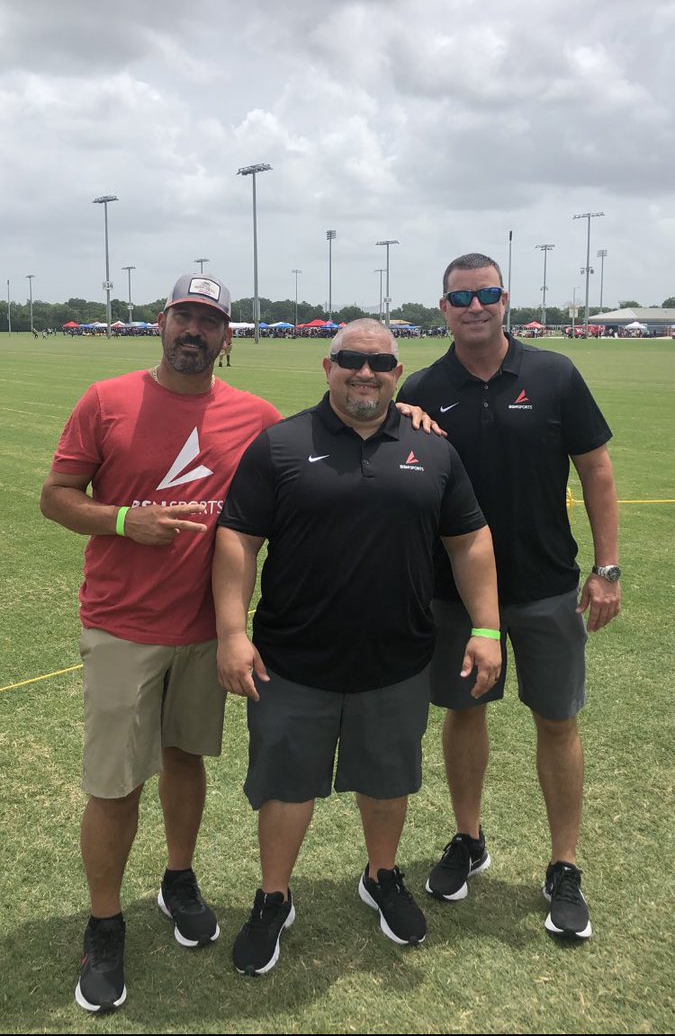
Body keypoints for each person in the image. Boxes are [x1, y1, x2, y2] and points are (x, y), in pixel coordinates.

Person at [212, 318, 501, 977]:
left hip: (397, 662)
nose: (363, 373)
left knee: (386, 780)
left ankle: (381, 876)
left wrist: (486, 628)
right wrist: (231, 633)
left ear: (398, 374)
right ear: (327, 367)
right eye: (349, 360)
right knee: (287, 786)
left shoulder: (434, 450)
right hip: (293, 662)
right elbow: (238, 540)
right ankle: (273, 896)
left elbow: (469, 541)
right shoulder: (281, 444)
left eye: (378, 363)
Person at [39, 273, 283, 1013]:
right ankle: (104, 924)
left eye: (209, 321)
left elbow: (324, 443)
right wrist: (124, 521)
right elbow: (56, 498)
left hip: (206, 630)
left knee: (185, 759)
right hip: (122, 626)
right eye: (184, 316)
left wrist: (404, 410)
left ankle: (178, 879)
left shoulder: (255, 416)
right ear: (161, 322)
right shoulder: (107, 401)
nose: (194, 331)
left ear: (226, 337)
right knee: (115, 783)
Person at [396, 252, 621, 941]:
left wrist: (607, 569)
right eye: (461, 297)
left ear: (504, 299)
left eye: (486, 294)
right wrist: (400, 413)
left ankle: (564, 865)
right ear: (443, 308)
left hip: (547, 585)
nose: (475, 306)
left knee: (557, 721)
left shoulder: (554, 374)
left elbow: (596, 469)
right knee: (464, 713)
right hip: (456, 596)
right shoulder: (423, 387)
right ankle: (469, 840)